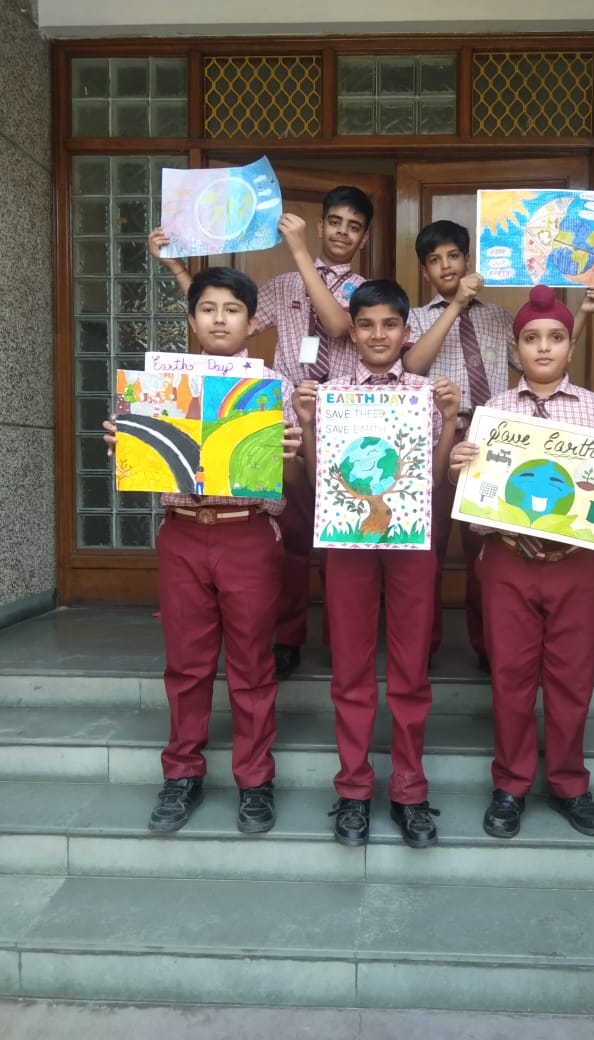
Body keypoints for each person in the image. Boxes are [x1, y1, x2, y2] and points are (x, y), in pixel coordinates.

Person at [449, 284, 594, 840]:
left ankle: (569, 784)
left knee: (571, 678)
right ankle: (511, 784)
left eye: (556, 337)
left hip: (575, 564)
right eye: (532, 338)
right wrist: (457, 465)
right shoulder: (494, 412)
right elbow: (477, 494)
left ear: (570, 346)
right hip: (508, 560)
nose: (543, 347)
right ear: (516, 350)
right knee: (511, 678)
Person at [103, 267, 304, 835]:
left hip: (247, 533)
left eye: (232, 309)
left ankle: (255, 779)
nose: (220, 319)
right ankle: (182, 774)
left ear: (251, 320)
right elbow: (142, 460)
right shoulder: (162, 385)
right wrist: (123, 442)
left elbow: (293, 478)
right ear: (192, 320)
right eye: (208, 308)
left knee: (252, 664)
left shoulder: (273, 387)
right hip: (184, 532)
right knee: (187, 664)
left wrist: (293, 453)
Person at [149, 185, 374, 681]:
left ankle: (343, 641)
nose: (342, 232)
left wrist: (298, 251)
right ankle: (286, 636)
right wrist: (177, 269)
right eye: (335, 221)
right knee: (288, 535)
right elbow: (228, 319)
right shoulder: (280, 286)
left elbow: (337, 327)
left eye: (354, 226)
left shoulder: (364, 290)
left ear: (363, 239)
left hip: (348, 421)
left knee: (346, 539)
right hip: (277, 415)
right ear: (322, 225)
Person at [292, 279, 460, 849]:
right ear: (354, 332)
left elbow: (433, 481)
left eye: (390, 324)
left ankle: (410, 790)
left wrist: (450, 421)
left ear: (406, 331)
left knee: (410, 671)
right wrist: (309, 422)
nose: (378, 334)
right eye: (366, 324)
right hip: (348, 543)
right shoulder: (331, 393)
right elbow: (318, 481)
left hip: (411, 541)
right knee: (351, 668)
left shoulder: (427, 393)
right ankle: (354, 789)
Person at [403, 220, 594, 672]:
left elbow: (541, 357)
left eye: (453, 256)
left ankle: (489, 646)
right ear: (424, 271)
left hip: (497, 440)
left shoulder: (498, 316)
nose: (445, 266)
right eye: (435, 260)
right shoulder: (417, 318)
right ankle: (424, 647)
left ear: (467, 260)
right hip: (437, 437)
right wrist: (456, 306)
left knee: (489, 547)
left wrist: (584, 313)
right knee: (426, 550)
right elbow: (413, 365)